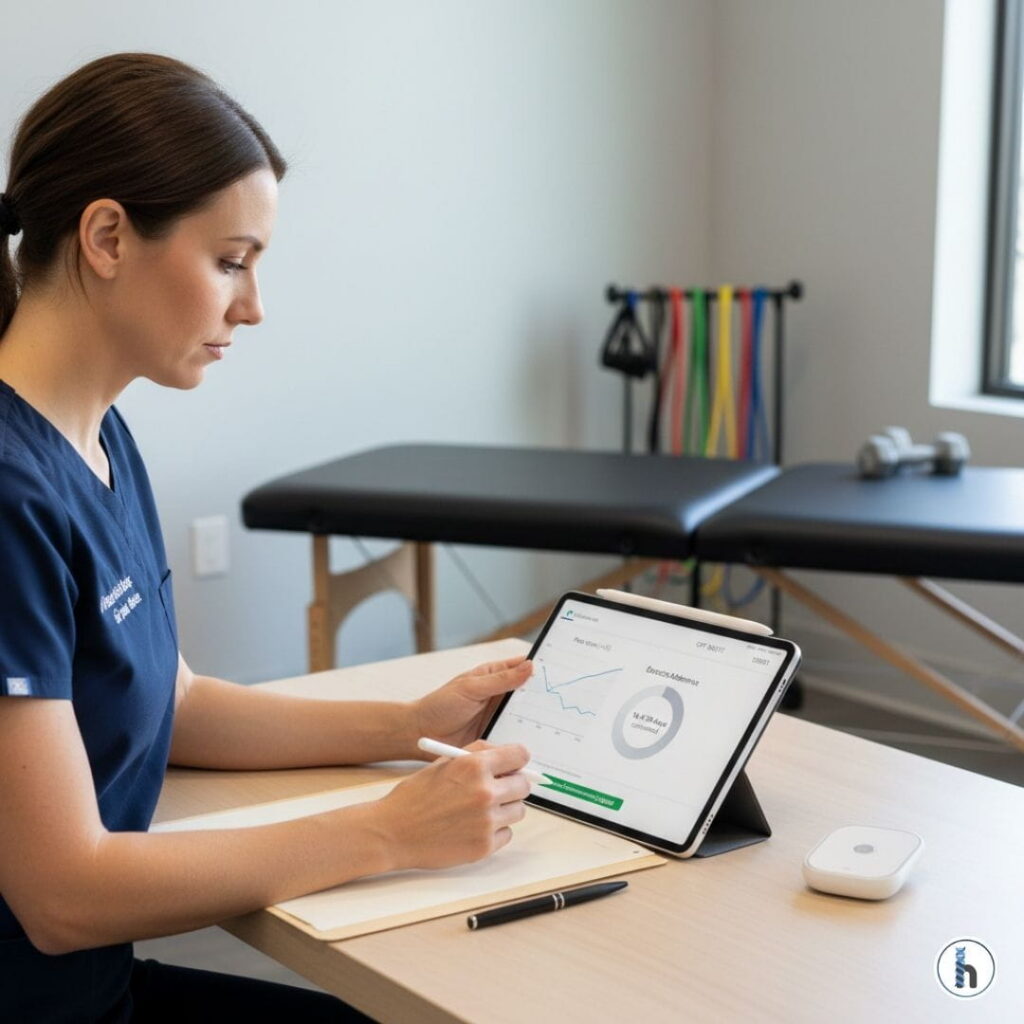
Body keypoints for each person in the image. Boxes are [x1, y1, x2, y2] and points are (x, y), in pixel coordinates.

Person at [0, 52, 533, 1023]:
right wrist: (387, 832)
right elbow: (62, 896)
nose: (252, 305)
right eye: (231, 260)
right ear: (108, 235)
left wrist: (410, 726)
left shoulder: (99, 436)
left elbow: (175, 699)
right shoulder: (9, 495)